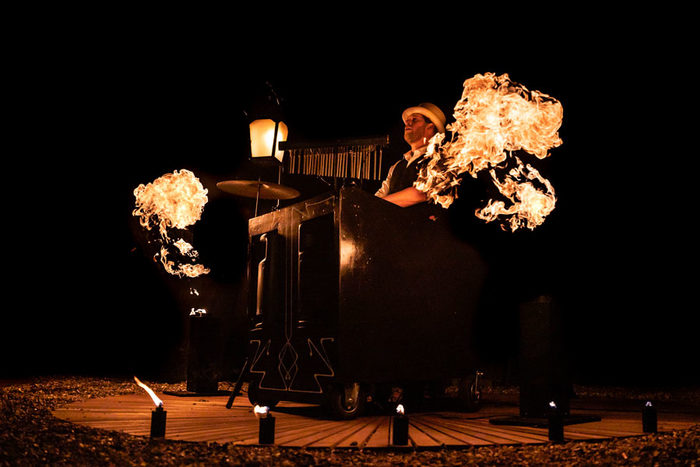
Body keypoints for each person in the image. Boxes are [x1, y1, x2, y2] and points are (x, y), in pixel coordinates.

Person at [375, 102, 447, 207]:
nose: (407, 123)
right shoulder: (396, 166)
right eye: (407, 120)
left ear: (430, 127)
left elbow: (420, 193)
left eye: (415, 120)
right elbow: (380, 195)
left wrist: (378, 204)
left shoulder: (440, 159)